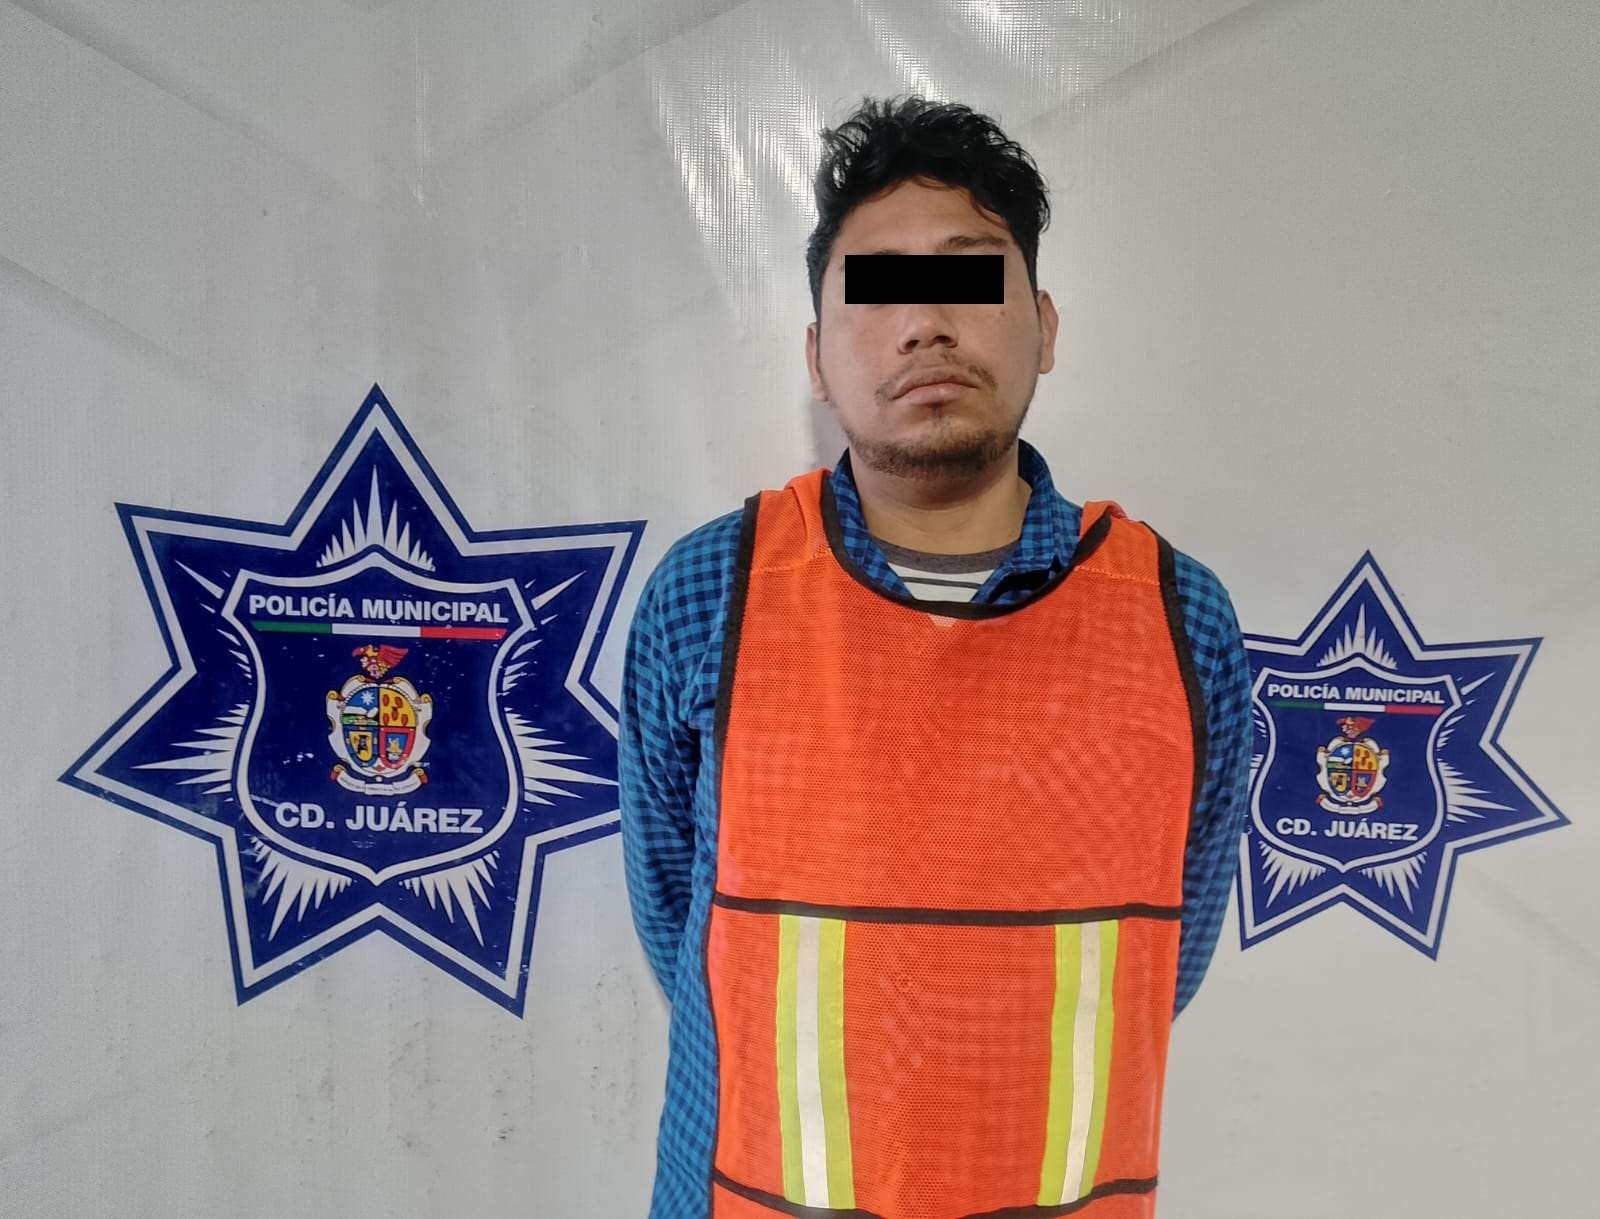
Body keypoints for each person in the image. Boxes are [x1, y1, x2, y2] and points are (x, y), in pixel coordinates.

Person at [619, 93, 1252, 1219]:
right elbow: (684, 929)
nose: (924, 323)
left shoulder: (1178, 617)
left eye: (970, 278)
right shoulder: (709, 592)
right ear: (816, 358)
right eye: (876, 290)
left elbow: (1165, 960)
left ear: (1044, 326)